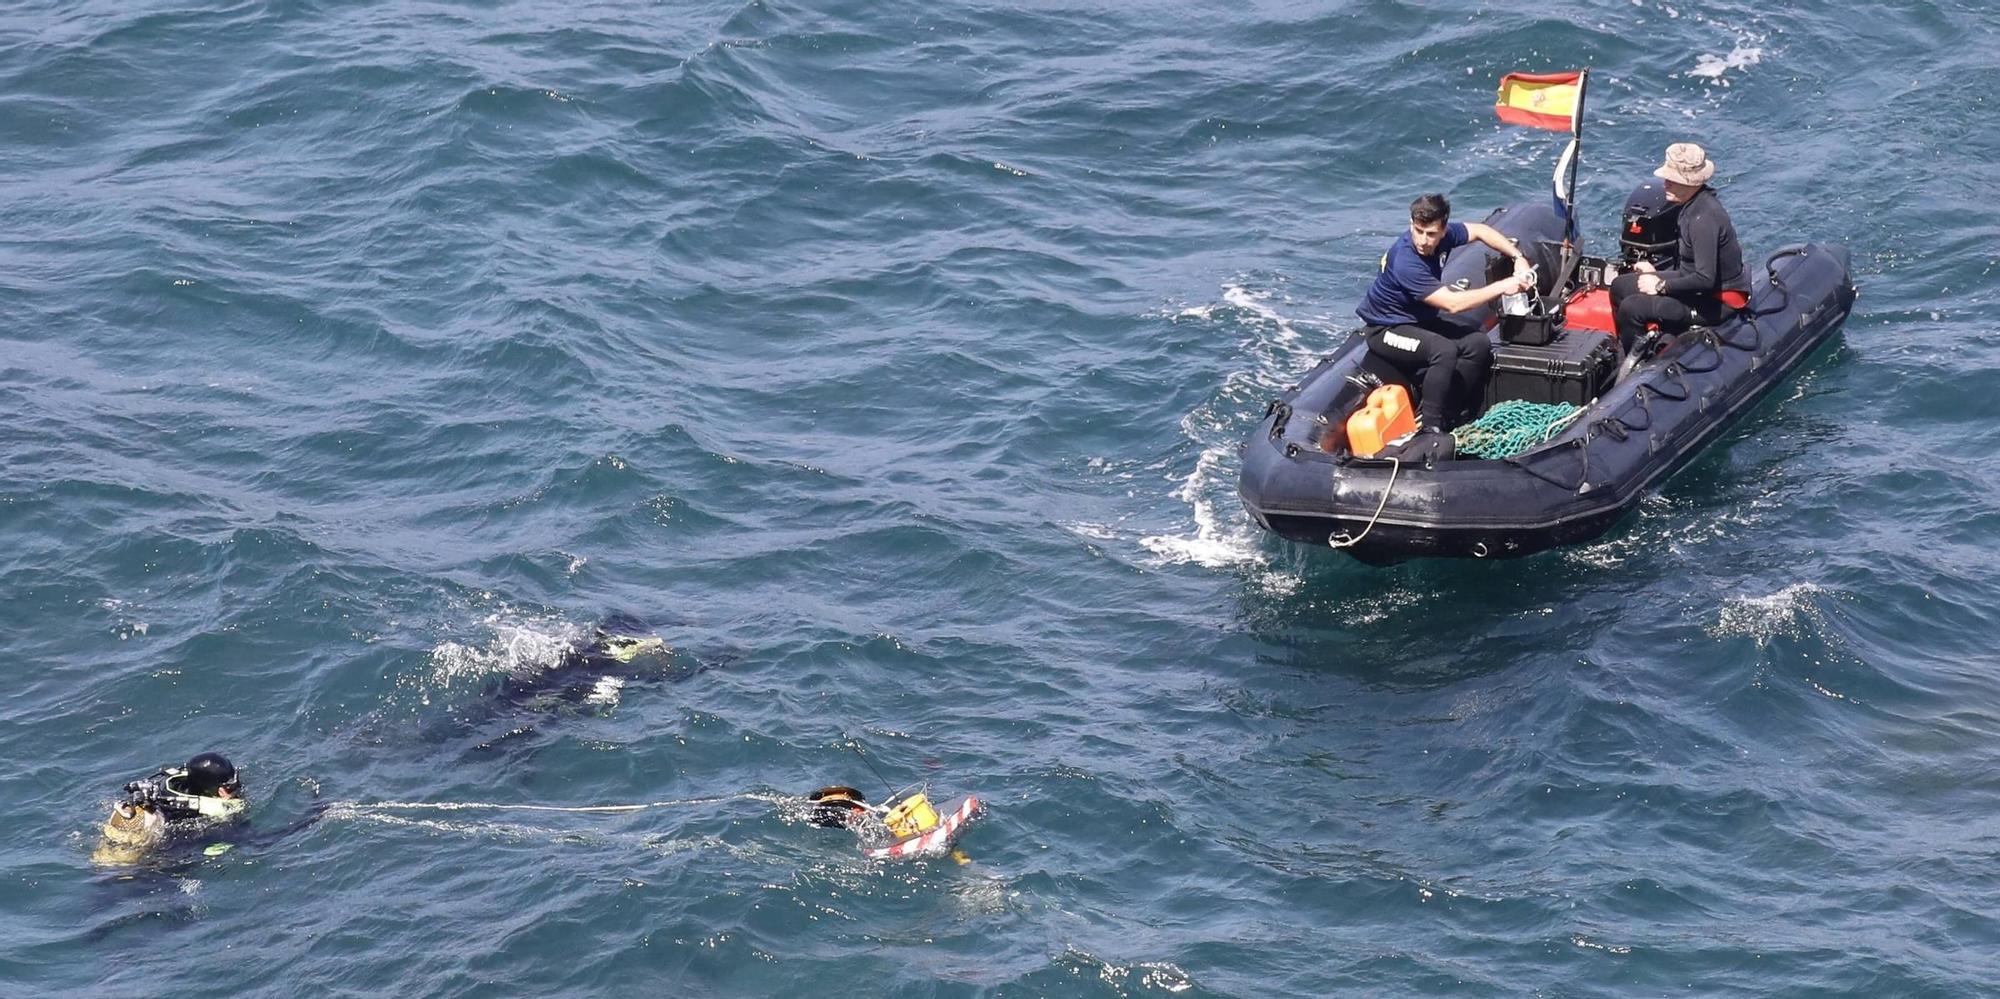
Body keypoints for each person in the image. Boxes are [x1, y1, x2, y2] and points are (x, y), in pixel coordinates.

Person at [1359, 193, 1537, 435]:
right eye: (1418, 230)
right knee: (1443, 350)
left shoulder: (1445, 236)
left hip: (1420, 320)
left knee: (1478, 343)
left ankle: (1454, 410)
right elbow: (1452, 304)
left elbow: (1481, 231)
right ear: (1411, 224)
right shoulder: (1406, 261)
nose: (1423, 240)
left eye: (1430, 234)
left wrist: (1518, 258)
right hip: (1386, 328)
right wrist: (1503, 286)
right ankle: (1430, 427)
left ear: (1443, 230)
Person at [1609, 143, 1749, 355]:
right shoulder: (1689, 207)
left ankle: (1638, 367)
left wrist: (1661, 286)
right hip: (1695, 285)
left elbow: (1705, 279)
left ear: (1692, 183)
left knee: (1632, 308)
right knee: (1620, 286)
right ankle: (1640, 342)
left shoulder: (1703, 219)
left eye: (1672, 181)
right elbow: (1689, 265)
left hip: (1716, 300)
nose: (1665, 184)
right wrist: (1654, 272)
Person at [93, 752, 247, 864]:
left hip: (109, 856)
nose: (236, 790)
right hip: (137, 867)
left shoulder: (170, 787)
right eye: (230, 787)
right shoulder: (188, 814)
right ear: (215, 790)